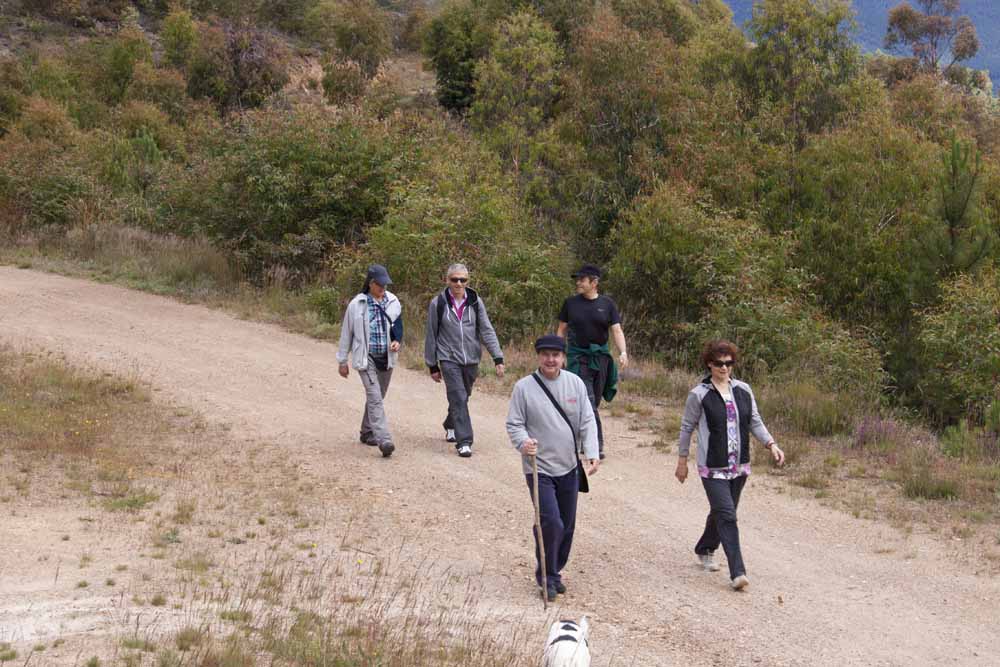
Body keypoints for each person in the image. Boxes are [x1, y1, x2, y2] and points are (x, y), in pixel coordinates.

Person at [675, 340, 785, 590]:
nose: (724, 368)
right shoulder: (699, 394)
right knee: (727, 515)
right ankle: (738, 572)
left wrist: (772, 444)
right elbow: (686, 428)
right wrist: (682, 461)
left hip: (739, 465)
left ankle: (705, 548)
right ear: (709, 364)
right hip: (712, 467)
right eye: (719, 363)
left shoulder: (743, 390)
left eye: (729, 363)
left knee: (722, 512)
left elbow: (754, 421)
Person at [506, 334, 600, 600]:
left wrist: (591, 452)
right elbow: (514, 423)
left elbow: (587, 420)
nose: (550, 359)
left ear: (563, 358)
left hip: (569, 467)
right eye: (545, 354)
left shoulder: (576, 384)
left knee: (567, 526)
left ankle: (554, 570)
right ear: (538, 357)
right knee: (551, 522)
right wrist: (524, 443)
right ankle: (545, 577)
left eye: (555, 355)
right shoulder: (524, 388)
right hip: (539, 468)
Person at [424, 263, 505, 458]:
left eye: (463, 280)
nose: (459, 283)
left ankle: (450, 424)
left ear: (468, 281)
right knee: (458, 396)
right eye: (455, 279)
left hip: (471, 358)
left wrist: (497, 357)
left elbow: (486, 329)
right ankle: (464, 441)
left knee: (463, 395)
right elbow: (431, 335)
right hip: (448, 357)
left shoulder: (475, 301)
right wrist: (432, 364)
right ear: (447, 280)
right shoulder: (438, 303)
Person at [556, 264, 628, 460]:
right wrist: (559, 353)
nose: (578, 282)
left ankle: (577, 437)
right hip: (578, 358)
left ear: (594, 282)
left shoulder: (607, 304)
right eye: (577, 279)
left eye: (582, 279)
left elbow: (616, 330)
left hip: (601, 359)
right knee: (587, 401)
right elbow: (561, 330)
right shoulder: (570, 303)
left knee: (593, 401)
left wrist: (623, 352)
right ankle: (595, 445)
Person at [336, 264, 403, 458]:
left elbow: (398, 325)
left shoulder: (393, 301)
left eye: (385, 284)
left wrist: (397, 341)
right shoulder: (357, 305)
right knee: (374, 397)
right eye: (380, 284)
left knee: (378, 396)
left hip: (387, 357)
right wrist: (342, 361)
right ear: (371, 283)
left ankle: (367, 432)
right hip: (366, 358)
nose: (383, 288)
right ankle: (384, 440)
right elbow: (346, 334)